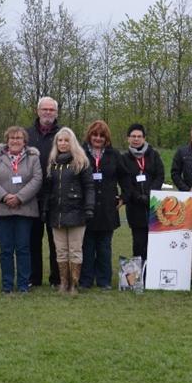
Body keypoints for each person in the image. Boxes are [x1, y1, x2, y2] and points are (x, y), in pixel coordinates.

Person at [0, 126, 43, 294]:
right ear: (7, 140)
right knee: (6, 249)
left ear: (25, 141)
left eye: (19, 138)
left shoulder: (33, 157)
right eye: (12, 138)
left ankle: (24, 284)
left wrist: (19, 198)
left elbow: (37, 179)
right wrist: (4, 196)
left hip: (25, 209)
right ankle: (7, 285)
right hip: (3, 209)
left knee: (23, 248)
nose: (15, 141)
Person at [42, 127, 95, 296]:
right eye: (60, 140)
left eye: (66, 140)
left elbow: (89, 187)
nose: (63, 143)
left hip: (77, 212)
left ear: (72, 142)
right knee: (61, 250)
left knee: (75, 250)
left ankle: (74, 284)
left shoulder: (81, 162)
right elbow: (48, 190)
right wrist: (45, 209)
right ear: (56, 143)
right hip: (56, 214)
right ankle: (63, 282)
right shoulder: (52, 164)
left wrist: (89, 207)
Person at [80, 120, 122, 290]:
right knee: (87, 246)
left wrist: (123, 196)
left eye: (101, 136)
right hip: (86, 207)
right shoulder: (80, 154)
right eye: (95, 135)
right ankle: (86, 280)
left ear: (106, 138)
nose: (98, 138)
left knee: (104, 246)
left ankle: (104, 280)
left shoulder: (114, 155)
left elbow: (125, 177)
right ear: (89, 135)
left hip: (107, 208)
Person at [26, 96, 62, 288]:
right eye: (44, 109)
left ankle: (56, 279)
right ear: (38, 111)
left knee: (55, 241)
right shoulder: (27, 134)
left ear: (56, 113)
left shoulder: (63, 134)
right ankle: (34, 278)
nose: (48, 113)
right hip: (31, 196)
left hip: (56, 195)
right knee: (33, 240)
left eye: (51, 110)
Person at [118, 123, 165, 265]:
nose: (136, 139)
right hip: (134, 206)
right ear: (128, 138)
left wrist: (150, 194)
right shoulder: (124, 158)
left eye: (139, 136)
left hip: (153, 204)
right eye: (133, 136)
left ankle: (153, 270)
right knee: (138, 241)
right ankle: (139, 273)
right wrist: (137, 196)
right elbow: (124, 181)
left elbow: (160, 175)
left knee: (154, 240)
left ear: (144, 138)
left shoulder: (154, 155)